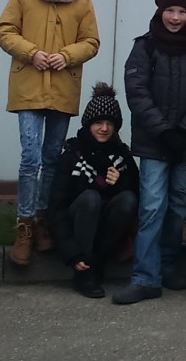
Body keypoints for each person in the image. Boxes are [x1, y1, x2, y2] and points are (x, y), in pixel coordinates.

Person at [0, 0, 100, 267]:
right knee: (30, 157)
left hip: (62, 89)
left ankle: (44, 219)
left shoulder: (83, 1)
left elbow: (91, 41)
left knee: (52, 158)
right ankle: (24, 225)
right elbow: (4, 31)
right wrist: (31, 53)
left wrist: (67, 55)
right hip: (28, 85)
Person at [113, 0, 186, 304]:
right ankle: (145, 277)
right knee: (152, 207)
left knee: (178, 208)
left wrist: (184, 131)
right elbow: (137, 93)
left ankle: (168, 265)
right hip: (154, 145)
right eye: (170, 10)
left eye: (182, 11)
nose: (175, 17)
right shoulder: (144, 47)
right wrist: (164, 131)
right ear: (160, 11)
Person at [48, 83, 138, 299]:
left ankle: (97, 262)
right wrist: (71, 252)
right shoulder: (72, 154)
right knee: (90, 198)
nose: (104, 128)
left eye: (110, 123)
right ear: (88, 124)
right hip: (77, 226)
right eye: (98, 122)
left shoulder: (122, 155)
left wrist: (121, 181)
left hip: (106, 229)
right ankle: (83, 272)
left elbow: (138, 192)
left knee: (128, 199)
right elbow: (57, 208)